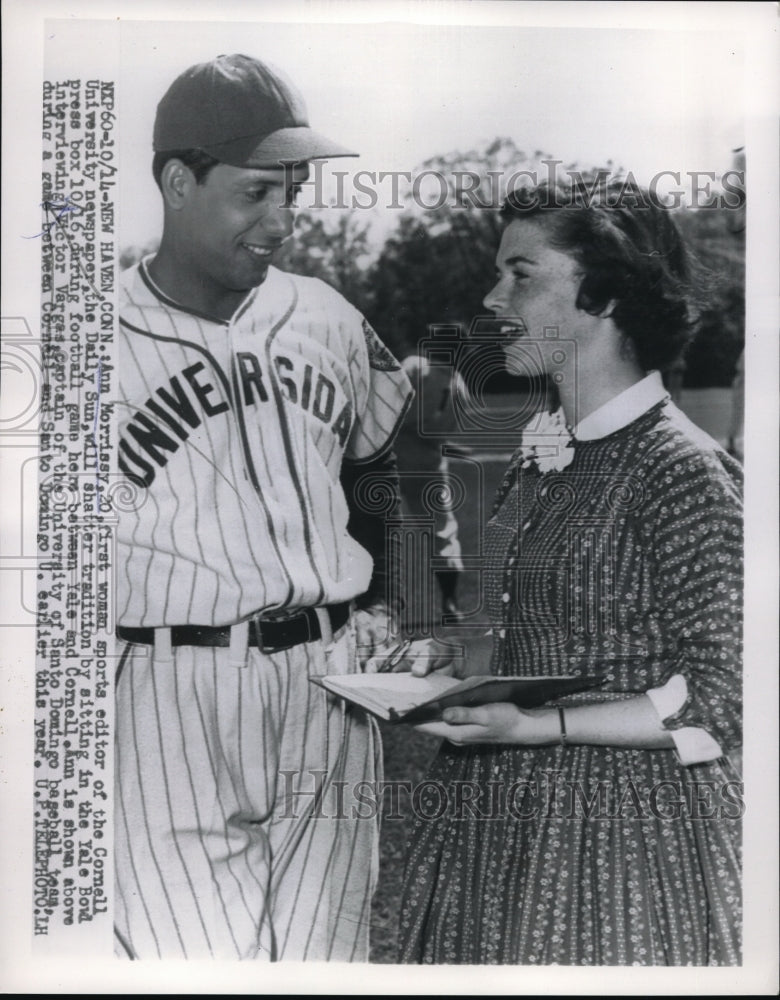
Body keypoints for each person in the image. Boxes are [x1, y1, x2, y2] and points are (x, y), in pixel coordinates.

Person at [114, 54, 413, 960]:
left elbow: (382, 466)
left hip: (331, 681)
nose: (283, 222)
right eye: (256, 193)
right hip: (167, 689)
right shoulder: (86, 338)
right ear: (178, 182)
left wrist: (387, 601)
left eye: (294, 192)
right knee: (194, 964)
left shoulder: (325, 315)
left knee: (330, 960)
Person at [398, 180, 743, 965]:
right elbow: (537, 632)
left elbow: (727, 698)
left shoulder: (678, 468)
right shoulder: (548, 450)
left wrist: (540, 727)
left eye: (521, 274)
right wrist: (448, 657)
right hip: (499, 817)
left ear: (606, 294)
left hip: (621, 836)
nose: (493, 298)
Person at [393, 353, 466, 625]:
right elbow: (443, 430)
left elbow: (390, 402)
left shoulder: (415, 365)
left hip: (392, 453)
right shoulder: (460, 384)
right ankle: (450, 602)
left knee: (373, 526)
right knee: (442, 529)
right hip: (429, 459)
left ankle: (374, 604)